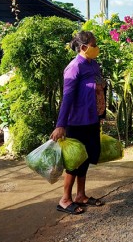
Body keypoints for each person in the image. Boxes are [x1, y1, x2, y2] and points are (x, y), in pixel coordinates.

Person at [50, 31, 107, 215]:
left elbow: (98, 85)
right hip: (77, 121)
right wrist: (61, 124)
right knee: (74, 162)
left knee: (86, 158)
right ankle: (65, 199)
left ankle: (81, 195)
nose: (96, 48)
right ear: (83, 47)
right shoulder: (74, 67)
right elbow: (67, 97)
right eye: (93, 45)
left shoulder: (93, 64)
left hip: (92, 119)